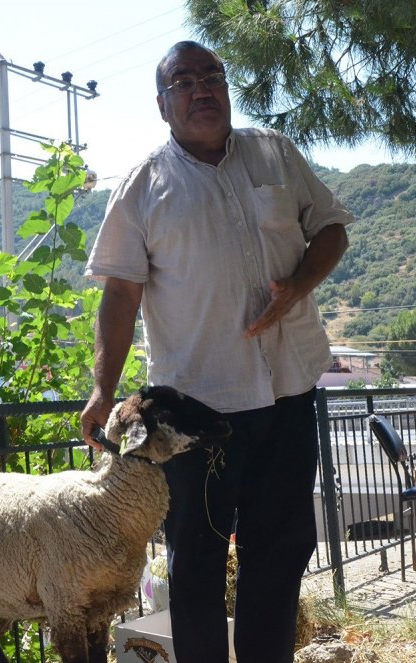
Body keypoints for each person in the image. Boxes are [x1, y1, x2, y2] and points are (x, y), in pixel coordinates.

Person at [79, 41, 353, 663]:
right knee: (197, 564)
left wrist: (299, 286)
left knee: (280, 555)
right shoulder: (143, 185)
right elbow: (120, 294)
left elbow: (332, 229)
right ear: (163, 104)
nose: (202, 89)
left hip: (287, 395)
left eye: (212, 76)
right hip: (193, 418)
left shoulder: (275, 154)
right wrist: (103, 389)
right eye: (184, 81)